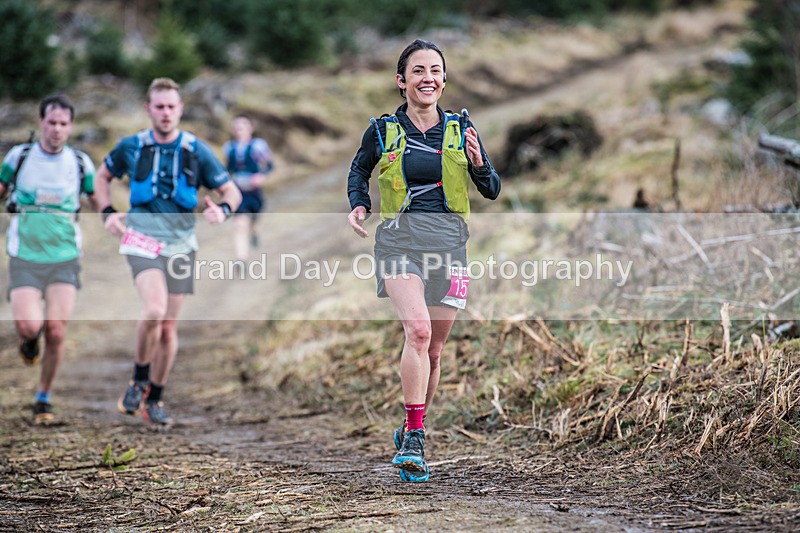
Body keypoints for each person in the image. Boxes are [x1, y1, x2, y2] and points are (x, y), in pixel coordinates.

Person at [346, 40, 500, 482]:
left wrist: (479, 164)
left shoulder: (461, 128)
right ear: (402, 80)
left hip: (451, 246)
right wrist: (359, 204)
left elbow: (491, 189)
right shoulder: (381, 130)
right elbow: (359, 171)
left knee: (434, 349)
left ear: (445, 79)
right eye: (417, 71)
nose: (427, 77)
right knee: (417, 331)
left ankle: (413, 427)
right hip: (399, 243)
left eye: (435, 70)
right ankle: (415, 440)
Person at [93, 78, 241, 427]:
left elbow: (231, 191)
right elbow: (101, 177)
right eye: (159, 106)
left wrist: (223, 210)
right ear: (149, 109)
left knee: (168, 327)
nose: (165, 113)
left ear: (180, 109)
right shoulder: (131, 146)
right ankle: (138, 379)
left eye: (171, 106)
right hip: (141, 237)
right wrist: (106, 212)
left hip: (181, 244)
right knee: (155, 310)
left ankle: (154, 399)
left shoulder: (196, 150)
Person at [0, 94, 97, 424]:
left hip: (64, 256)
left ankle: (43, 397)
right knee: (29, 326)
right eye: (52, 122)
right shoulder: (19, 157)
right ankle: (29, 341)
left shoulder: (80, 163)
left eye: (64, 124)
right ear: (41, 122)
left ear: (71, 127)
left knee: (56, 331)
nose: (57, 129)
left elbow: (99, 199)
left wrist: (117, 218)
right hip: (25, 254)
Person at [222, 115, 274, 264]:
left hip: (254, 191)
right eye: (237, 128)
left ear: (250, 129)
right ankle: (241, 259)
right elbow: (227, 170)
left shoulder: (258, 146)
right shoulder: (229, 148)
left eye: (242, 128)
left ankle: (255, 232)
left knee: (254, 221)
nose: (239, 131)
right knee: (239, 225)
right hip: (238, 191)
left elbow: (269, 165)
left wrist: (261, 176)